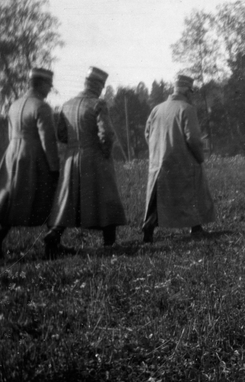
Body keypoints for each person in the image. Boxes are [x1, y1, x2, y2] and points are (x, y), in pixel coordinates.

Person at [43, 67, 128, 256]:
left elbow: (61, 135)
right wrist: (105, 152)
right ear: (98, 86)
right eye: (101, 87)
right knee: (106, 198)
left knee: (68, 200)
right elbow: (106, 134)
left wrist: (75, 145)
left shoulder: (67, 105)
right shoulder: (98, 104)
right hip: (95, 157)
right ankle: (109, 244)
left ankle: (54, 234)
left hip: (71, 159)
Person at [0, 67, 61, 259]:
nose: (50, 89)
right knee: (53, 196)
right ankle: (53, 244)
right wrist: (54, 167)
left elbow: (12, 135)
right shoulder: (42, 107)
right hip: (34, 157)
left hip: (12, 155)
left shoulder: (14, 105)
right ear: (40, 84)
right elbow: (48, 141)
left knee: (13, 200)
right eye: (48, 85)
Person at [141, 74, 215, 242]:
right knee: (193, 192)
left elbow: (147, 134)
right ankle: (196, 228)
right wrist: (199, 157)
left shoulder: (156, 109)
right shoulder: (187, 109)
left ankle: (148, 228)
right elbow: (193, 138)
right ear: (187, 91)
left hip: (158, 164)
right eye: (190, 92)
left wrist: (158, 151)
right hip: (182, 163)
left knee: (157, 198)